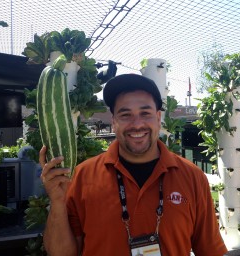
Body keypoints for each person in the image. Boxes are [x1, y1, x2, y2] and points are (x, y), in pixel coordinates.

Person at [40, 73, 227, 256]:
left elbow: (210, 250)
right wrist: (57, 202)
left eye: (145, 113)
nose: (137, 124)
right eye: (125, 115)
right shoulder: (81, 176)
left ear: (158, 117)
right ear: (114, 122)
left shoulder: (192, 177)